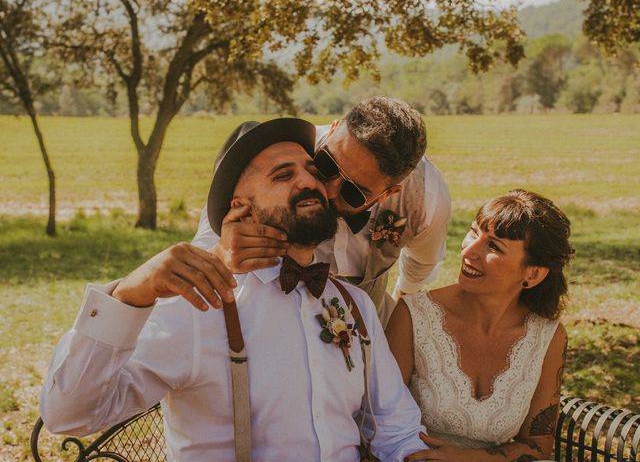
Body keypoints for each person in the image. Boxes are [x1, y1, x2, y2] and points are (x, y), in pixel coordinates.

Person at [40, 118, 429, 461]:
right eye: (282, 175)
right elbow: (68, 415)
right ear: (240, 207)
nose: (310, 181)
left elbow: (396, 428)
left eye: (313, 170)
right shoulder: (197, 305)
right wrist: (127, 295)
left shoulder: (354, 305)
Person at [192, 96, 451, 326]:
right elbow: (206, 242)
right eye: (326, 165)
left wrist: (398, 311)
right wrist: (222, 251)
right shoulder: (284, 149)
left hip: (367, 314)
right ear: (334, 129)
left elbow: (421, 265)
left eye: (353, 192)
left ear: (389, 194)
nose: (326, 191)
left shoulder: (426, 198)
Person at [386, 189, 574, 461]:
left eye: (494, 246)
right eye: (474, 232)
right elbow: (378, 424)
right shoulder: (412, 315)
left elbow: (537, 447)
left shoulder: (548, 337)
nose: (469, 251)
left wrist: (469, 458)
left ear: (532, 273)